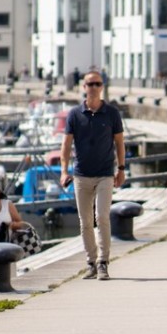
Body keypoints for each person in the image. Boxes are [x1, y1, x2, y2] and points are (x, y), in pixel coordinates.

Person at [60, 69, 126, 280]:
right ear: (84, 87)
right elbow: (66, 145)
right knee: (85, 221)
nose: (94, 88)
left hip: (105, 173)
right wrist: (63, 171)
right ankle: (91, 262)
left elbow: (119, 142)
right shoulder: (75, 114)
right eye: (90, 84)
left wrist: (121, 168)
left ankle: (103, 262)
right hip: (81, 175)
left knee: (102, 217)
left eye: (98, 84)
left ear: (102, 86)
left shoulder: (112, 113)